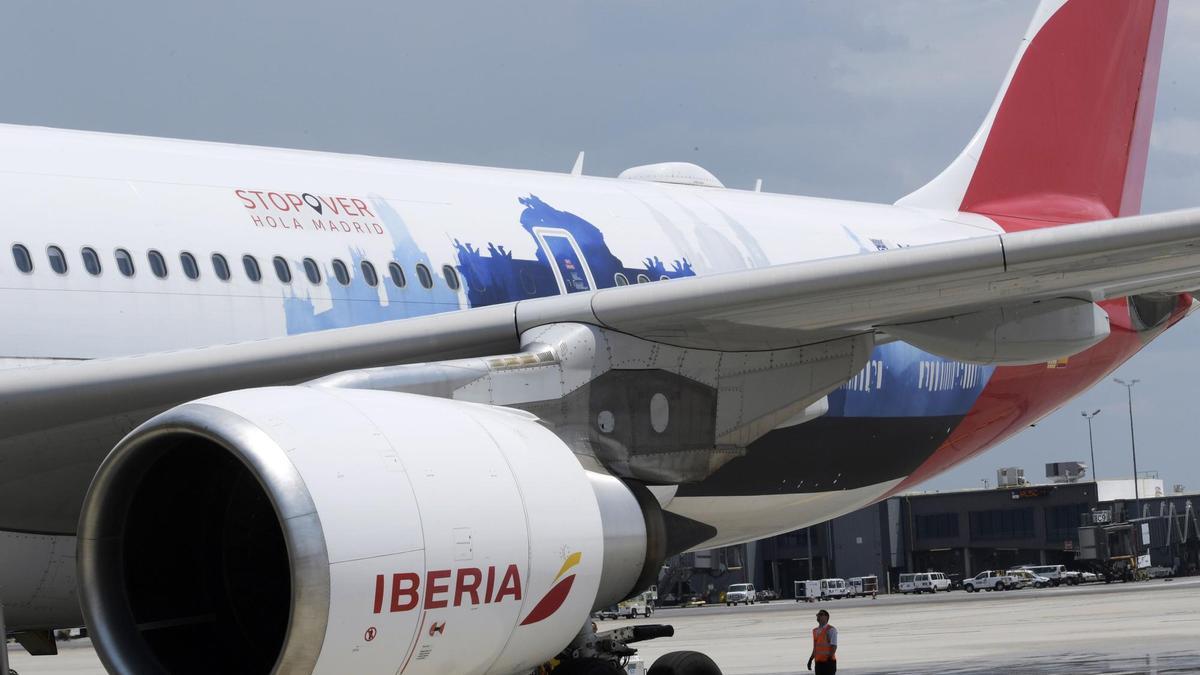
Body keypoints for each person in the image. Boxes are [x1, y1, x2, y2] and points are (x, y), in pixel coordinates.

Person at [807, 609, 837, 674]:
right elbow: (815, 648)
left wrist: (829, 659)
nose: (818, 616)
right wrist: (811, 659)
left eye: (821, 614)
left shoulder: (831, 630)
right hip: (818, 663)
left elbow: (834, 646)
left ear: (826, 617)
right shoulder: (815, 631)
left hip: (828, 663)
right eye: (818, 615)